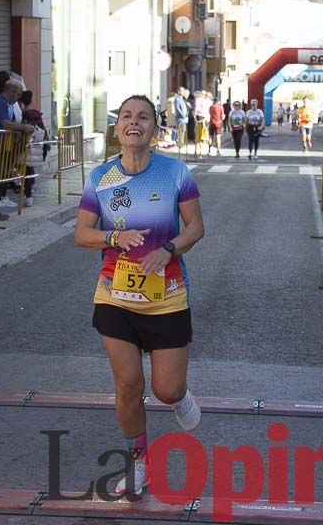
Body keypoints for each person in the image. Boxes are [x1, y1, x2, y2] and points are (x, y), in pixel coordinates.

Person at [74, 95, 206, 495]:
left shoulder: (174, 173)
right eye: (127, 117)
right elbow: (82, 234)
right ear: (117, 130)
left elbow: (196, 227)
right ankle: (139, 461)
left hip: (166, 295)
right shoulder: (103, 178)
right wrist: (113, 235)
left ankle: (179, 396)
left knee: (165, 389)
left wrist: (168, 250)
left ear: (154, 128)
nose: (135, 123)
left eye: (143, 117)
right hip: (115, 295)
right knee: (128, 384)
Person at [0, 78, 36, 221]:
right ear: (11, 92)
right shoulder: (1, 102)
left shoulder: (6, 103)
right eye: (18, 94)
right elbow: (5, 124)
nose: (18, 98)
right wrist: (24, 128)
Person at [20, 89, 49, 206]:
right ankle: (30, 189)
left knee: (26, 170)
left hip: (27, 148)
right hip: (38, 148)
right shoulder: (37, 114)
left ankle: (28, 196)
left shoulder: (25, 116)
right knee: (30, 170)